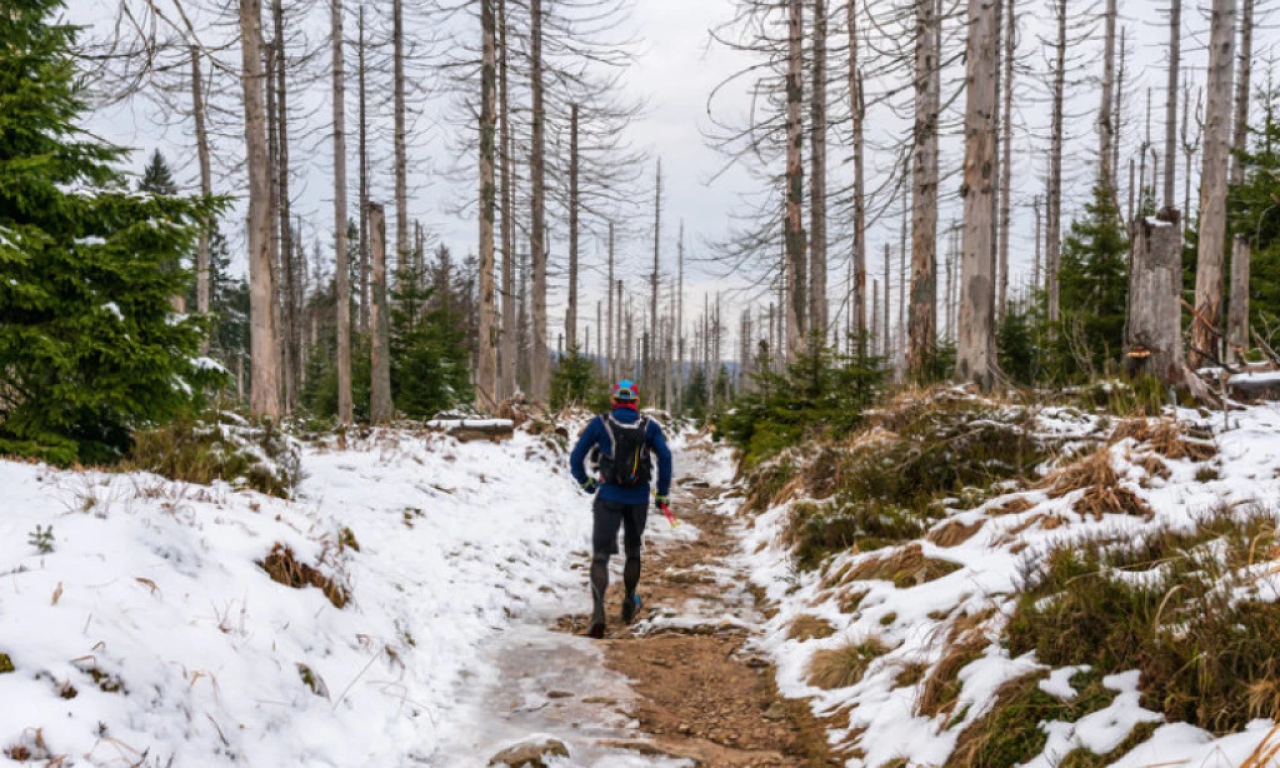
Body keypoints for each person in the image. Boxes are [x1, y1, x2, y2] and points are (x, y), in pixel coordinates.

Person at [569, 379, 673, 639]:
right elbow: (666, 458)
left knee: (601, 556)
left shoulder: (600, 423)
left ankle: (597, 615)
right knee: (633, 551)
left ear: (614, 400)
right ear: (636, 402)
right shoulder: (649, 426)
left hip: (608, 497)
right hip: (637, 498)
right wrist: (661, 493)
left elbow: (576, 457)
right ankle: (628, 601)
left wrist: (585, 482)